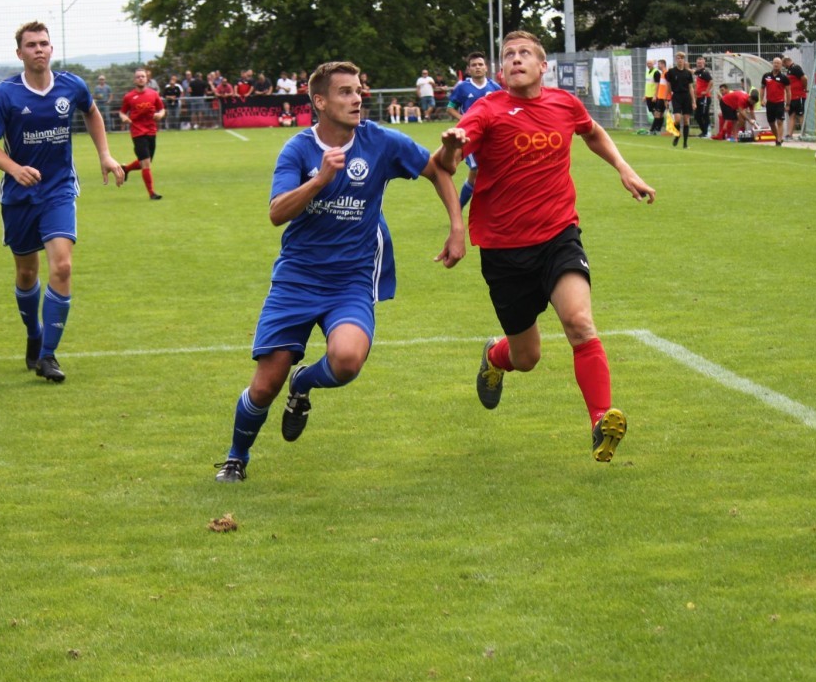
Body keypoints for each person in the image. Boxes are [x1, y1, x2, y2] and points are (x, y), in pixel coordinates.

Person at [214, 60, 465, 482]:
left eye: (358, 90)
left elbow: (439, 169)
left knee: (347, 360)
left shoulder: (380, 142)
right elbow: (277, 213)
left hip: (351, 279)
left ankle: (304, 384)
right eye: (346, 92)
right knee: (263, 386)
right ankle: (237, 457)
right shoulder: (298, 149)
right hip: (297, 278)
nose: (357, 98)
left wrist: (457, 225)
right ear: (320, 101)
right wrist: (319, 180)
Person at [439, 30, 656, 464]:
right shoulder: (487, 110)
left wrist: (623, 168)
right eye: (508, 55)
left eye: (525, 54)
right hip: (503, 250)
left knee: (579, 323)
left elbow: (591, 132)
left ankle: (600, 420)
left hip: (559, 236)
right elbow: (444, 165)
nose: (515, 59)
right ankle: (495, 357)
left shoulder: (563, 103)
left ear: (542, 67)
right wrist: (450, 150)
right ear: (501, 71)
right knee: (528, 356)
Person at [0, 21, 125, 383]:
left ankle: (48, 356)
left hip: (59, 190)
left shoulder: (71, 85)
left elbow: (90, 111)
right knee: (27, 272)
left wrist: (104, 154)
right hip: (19, 196)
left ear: (51, 49)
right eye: (31, 45)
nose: (39, 49)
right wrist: (14, 168)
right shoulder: (6, 94)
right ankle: (33, 334)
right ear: (20, 53)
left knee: (62, 267)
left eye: (44, 43)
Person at [446, 51, 502, 208]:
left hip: (490, 136)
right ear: (468, 69)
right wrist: (465, 120)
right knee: (476, 168)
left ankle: (478, 206)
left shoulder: (495, 88)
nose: (477, 67)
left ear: (486, 68)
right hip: (469, 135)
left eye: (480, 64)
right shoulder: (463, 87)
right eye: (474, 65)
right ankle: (458, 207)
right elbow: (450, 108)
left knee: (491, 170)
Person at [120, 68, 166, 200]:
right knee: (146, 164)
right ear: (135, 80)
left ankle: (126, 169)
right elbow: (122, 112)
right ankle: (152, 193)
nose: (141, 78)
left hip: (151, 131)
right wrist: (124, 117)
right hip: (137, 132)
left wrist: (160, 115)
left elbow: (162, 109)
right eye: (138, 77)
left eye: (143, 76)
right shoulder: (129, 97)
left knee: (144, 162)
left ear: (147, 79)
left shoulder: (153, 94)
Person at [665, 52, 695, 148]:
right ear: (676, 60)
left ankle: (685, 143)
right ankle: (677, 135)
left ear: (684, 60)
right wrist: (667, 98)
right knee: (677, 119)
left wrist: (693, 101)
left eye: (681, 58)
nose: (680, 60)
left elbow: (691, 87)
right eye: (678, 58)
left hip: (686, 97)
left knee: (686, 120)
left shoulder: (688, 73)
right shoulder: (671, 72)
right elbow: (668, 86)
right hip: (676, 96)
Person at [759, 56, 790, 146]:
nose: (776, 65)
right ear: (772, 64)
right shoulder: (766, 76)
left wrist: (788, 104)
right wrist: (762, 99)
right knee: (771, 122)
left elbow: (788, 91)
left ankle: (779, 140)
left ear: (781, 65)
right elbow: (762, 88)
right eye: (775, 63)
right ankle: (778, 137)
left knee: (780, 121)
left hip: (780, 102)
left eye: (778, 63)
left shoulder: (784, 78)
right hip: (770, 102)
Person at [782, 56, 807, 140]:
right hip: (792, 96)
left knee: (800, 114)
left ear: (786, 62)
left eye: (784, 64)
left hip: (798, 95)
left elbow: (804, 78)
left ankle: (803, 134)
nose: (784, 66)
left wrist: (804, 88)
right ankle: (790, 134)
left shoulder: (796, 68)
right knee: (791, 114)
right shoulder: (789, 70)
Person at [692, 56, 714, 138]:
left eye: (701, 62)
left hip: (705, 97)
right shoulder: (699, 72)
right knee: (697, 116)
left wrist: (707, 91)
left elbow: (711, 81)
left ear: (704, 63)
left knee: (704, 114)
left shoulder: (705, 72)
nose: (699, 64)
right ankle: (704, 131)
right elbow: (693, 71)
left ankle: (708, 132)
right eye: (698, 62)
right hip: (699, 97)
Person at [643, 59, 658, 133]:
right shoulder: (647, 72)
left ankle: (654, 129)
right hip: (648, 95)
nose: (648, 65)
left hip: (653, 96)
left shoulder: (656, 72)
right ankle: (655, 128)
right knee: (652, 111)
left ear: (653, 64)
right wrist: (645, 95)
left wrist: (655, 95)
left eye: (650, 63)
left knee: (656, 112)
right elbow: (647, 84)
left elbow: (657, 84)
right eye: (647, 63)